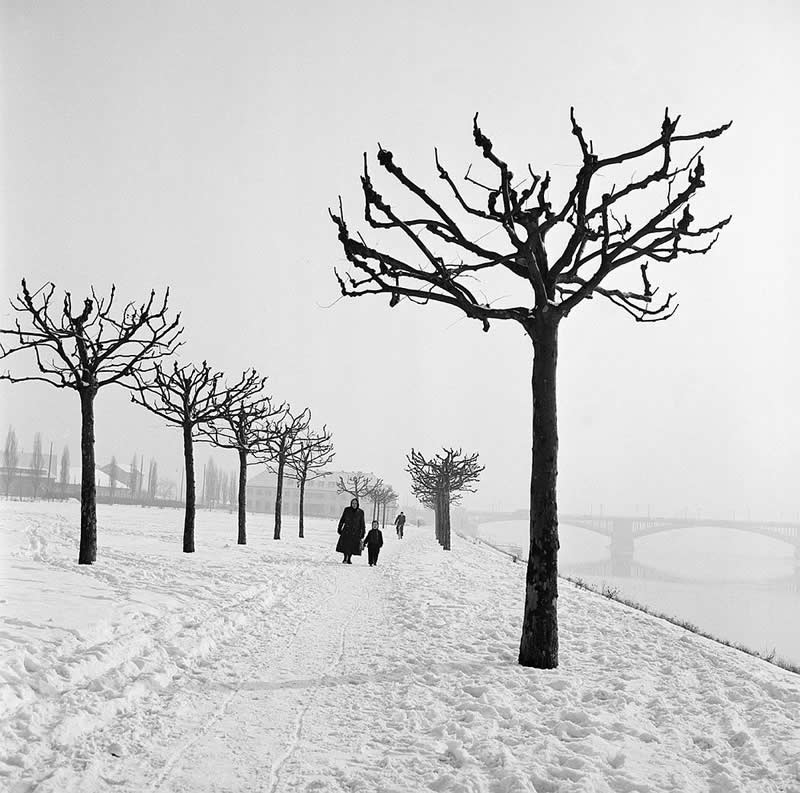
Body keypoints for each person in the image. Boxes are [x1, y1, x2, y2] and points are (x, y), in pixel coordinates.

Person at [336, 497, 365, 564]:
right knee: (345, 545)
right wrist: (339, 528)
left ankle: (349, 558)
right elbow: (342, 519)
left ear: (358, 504)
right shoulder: (347, 510)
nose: (354, 505)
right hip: (346, 531)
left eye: (355, 503)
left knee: (352, 546)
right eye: (353, 503)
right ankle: (345, 558)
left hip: (355, 532)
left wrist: (363, 532)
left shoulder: (361, 512)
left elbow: (362, 523)